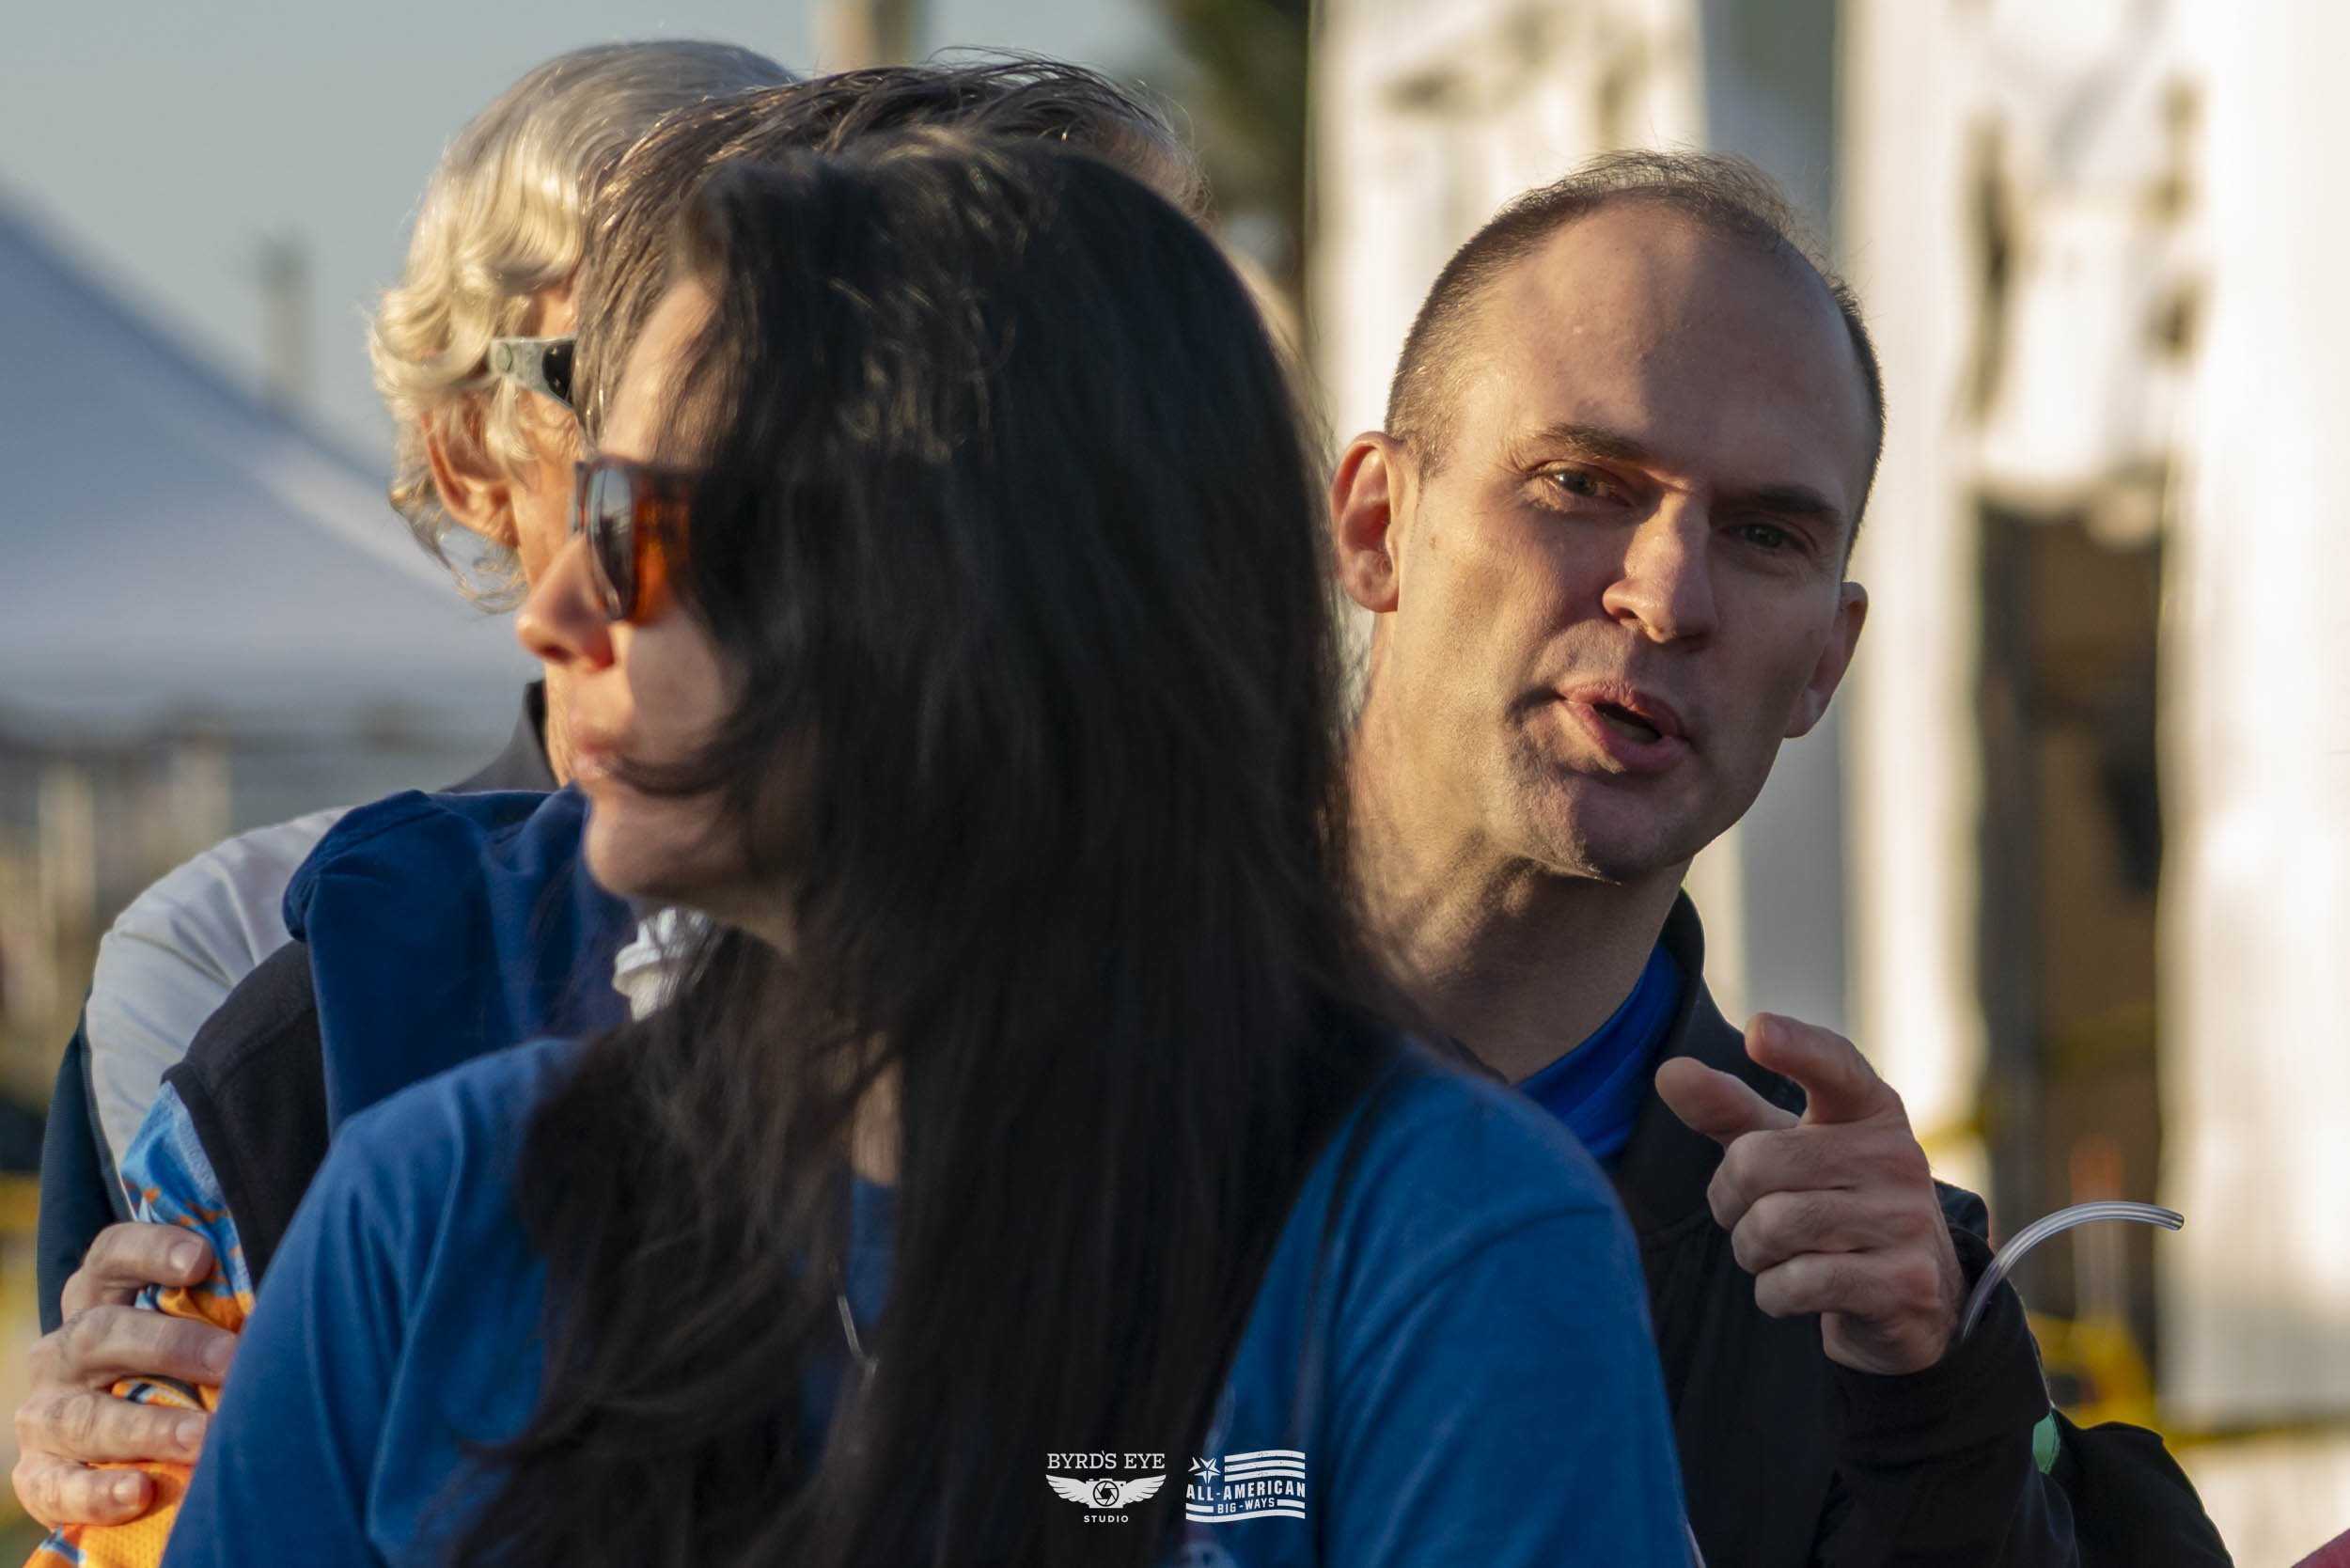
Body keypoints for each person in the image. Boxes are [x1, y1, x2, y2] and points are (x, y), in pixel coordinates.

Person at [162, 133, 1688, 1567]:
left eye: (630, 525)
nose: (560, 617)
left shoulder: (1449, 1255)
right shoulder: (431, 1215)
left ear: (959, 584)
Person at [14, 59, 1222, 1559]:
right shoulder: (295, 997)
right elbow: (153, 1478)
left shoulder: (1363, 1116)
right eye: (624, 379)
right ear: (475, 457)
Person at [1330, 149, 2232, 1562]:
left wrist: (1939, 1433)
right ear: (1381, 525)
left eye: (1763, 534)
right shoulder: (1018, 1091)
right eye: (1582, 480)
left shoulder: (1865, 1313)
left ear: (1824, 662)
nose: (1669, 593)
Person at [13, 38, 794, 1536]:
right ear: (473, 460)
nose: (726, 426)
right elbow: (188, 1486)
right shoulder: (268, 961)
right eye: (624, 361)